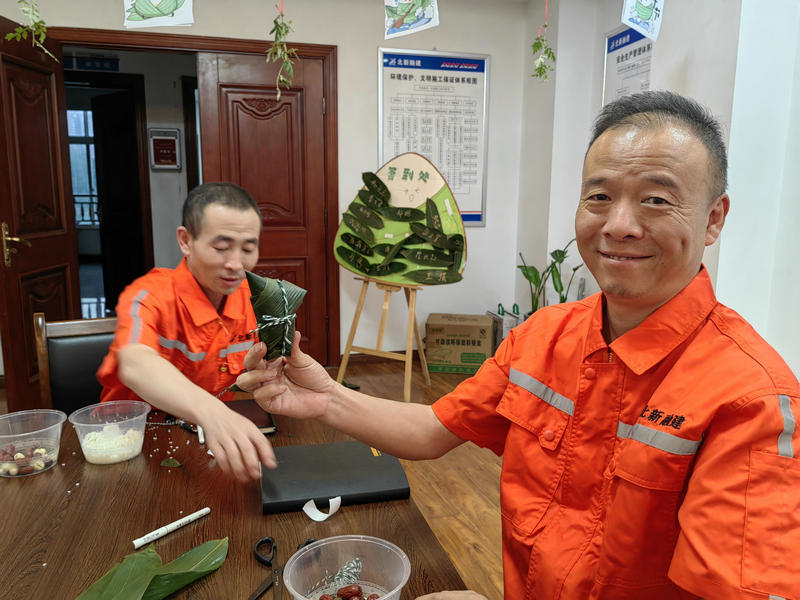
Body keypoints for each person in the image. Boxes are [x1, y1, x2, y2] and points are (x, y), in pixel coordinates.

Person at [238, 91, 800, 599]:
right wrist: (326, 398)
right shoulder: (543, 336)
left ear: (714, 219)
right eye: (599, 196)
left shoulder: (751, 402)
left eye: (656, 199)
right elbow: (433, 430)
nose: (619, 224)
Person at [97, 182, 276, 482]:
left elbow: (243, 376)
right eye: (221, 248)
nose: (236, 264)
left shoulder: (255, 298)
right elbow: (134, 362)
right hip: (131, 444)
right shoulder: (149, 295)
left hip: (212, 443)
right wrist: (211, 411)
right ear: (185, 240)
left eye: (248, 249)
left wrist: (257, 380)